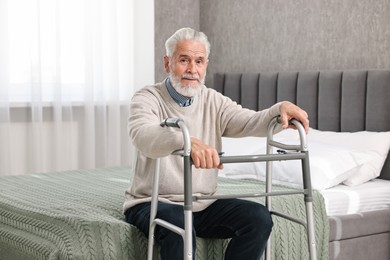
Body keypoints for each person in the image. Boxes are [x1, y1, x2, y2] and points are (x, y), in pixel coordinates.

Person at [124, 27, 309, 260]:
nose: (192, 69)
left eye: (199, 61)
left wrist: (279, 110)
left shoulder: (213, 100)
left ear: (206, 65)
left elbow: (251, 121)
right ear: (167, 63)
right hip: (151, 202)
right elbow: (143, 135)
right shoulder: (147, 98)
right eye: (184, 60)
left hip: (202, 203)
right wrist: (186, 141)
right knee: (179, 226)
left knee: (258, 218)